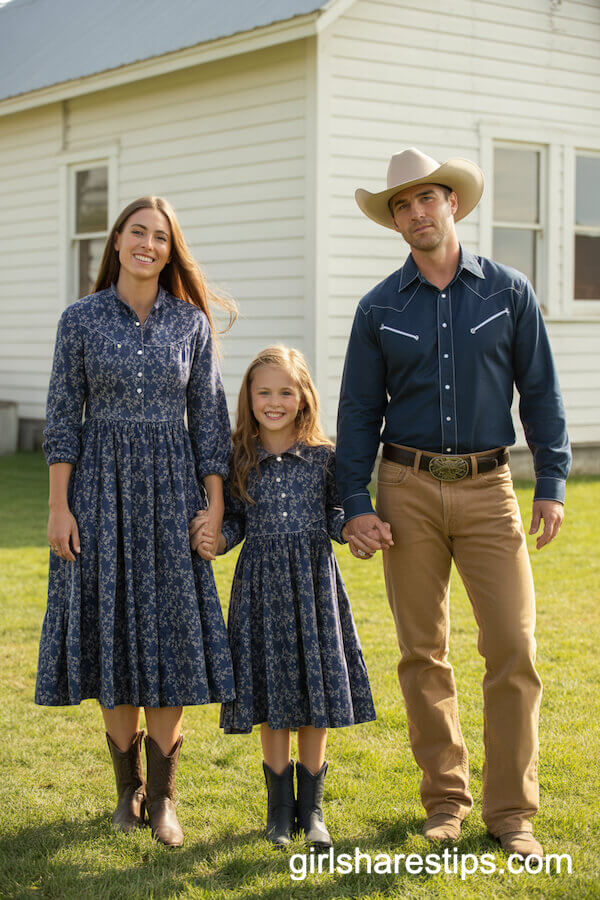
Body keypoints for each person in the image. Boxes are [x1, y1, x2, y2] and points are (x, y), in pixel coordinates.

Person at [336, 148, 571, 860]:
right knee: (421, 654)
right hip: (405, 491)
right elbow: (356, 412)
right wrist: (354, 500)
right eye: (402, 206)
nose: (415, 215)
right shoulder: (378, 307)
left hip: (488, 488)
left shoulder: (509, 292)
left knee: (513, 649)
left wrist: (552, 482)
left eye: (426, 200)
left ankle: (511, 814)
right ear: (395, 220)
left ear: (453, 205)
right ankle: (444, 801)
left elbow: (542, 393)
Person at [36, 196, 237, 847]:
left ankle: (165, 802)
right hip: (99, 493)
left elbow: (209, 419)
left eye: (161, 237)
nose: (149, 244)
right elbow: (64, 416)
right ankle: (128, 794)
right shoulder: (81, 320)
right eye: (138, 232)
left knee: (170, 639)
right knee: (114, 635)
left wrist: (214, 503)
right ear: (117, 241)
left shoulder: (191, 324)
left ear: (170, 250)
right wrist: (59, 505)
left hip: (172, 495)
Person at [190, 346, 376, 847]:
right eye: (264, 391)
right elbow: (233, 521)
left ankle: (312, 813)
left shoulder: (322, 456)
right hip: (260, 589)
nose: (274, 401)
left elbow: (336, 512)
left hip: (314, 587)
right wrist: (216, 540)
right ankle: (278, 814)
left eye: (285, 391)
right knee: (272, 696)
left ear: (303, 397)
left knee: (315, 695)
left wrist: (352, 533)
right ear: (249, 397)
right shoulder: (238, 458)